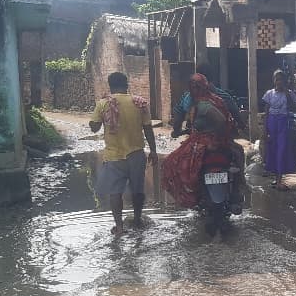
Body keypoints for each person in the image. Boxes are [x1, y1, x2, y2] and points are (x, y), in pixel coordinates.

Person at [89, 72, 157, 235]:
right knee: (137, 190)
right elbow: (148, 128)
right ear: (127, 85)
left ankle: (119, 227)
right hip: (136, 154)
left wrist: (98, 119)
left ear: (110, 86)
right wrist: (153, 150)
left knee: (115, 192)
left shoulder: (103, 103)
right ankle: (138, 219)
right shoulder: (139, 103)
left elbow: (94, 127)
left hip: (114, 157)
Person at [162, 74, 241, 210]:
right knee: (238, 154)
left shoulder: (203, 104)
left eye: (196, 87)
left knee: (171, 163)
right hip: (221, 142)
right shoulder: (215, 99)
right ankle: (236, 190)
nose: (194, 90)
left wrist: (214, 140)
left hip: (206, 143)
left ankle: (192, 195)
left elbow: (221, 121)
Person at [172, 64, 245, 137]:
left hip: (202, 140)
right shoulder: (224, 96)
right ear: (213, 78)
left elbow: (178, 117)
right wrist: (241, 127)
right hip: (220, 139)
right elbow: (237, 116)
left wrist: (176, 131)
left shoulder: (187, 97)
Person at [260, 70, 296, 190]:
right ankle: (276, 178)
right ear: (274, 81)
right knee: (273, 151)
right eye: (277, 79)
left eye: (281, 79)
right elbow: (266, 113)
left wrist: (287, 93)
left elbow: (294, 108)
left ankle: (280, 179)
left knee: (282, 150)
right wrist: (265, 129)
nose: (279, 82)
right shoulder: (269, 94)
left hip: (283, 125)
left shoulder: (289, 94)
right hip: (272, 125)